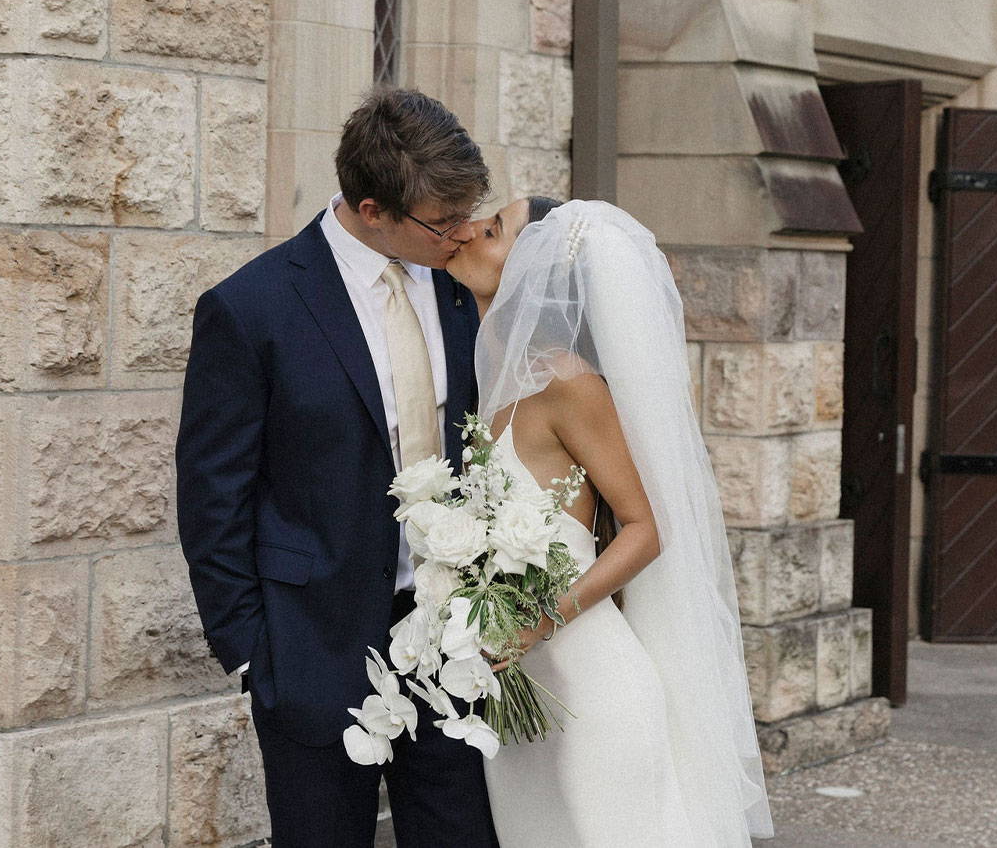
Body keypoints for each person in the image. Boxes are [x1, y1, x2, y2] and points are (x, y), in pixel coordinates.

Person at [175, 88, 498, 847]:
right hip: (310, 649)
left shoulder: (465, 289)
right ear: (370, 206)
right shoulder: (251, 309)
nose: (459, 233)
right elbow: (212, 495)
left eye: (466, 212)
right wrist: (254, 655)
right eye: (440, 221)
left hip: (454, 644)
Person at [444, 197, 777, 845]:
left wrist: (535, 624)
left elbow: (646, 529)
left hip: (594, 690)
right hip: (524, 699)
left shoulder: (568, 384)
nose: (466, 233)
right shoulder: (495, 387)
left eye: (493, 231)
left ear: (538, 272)